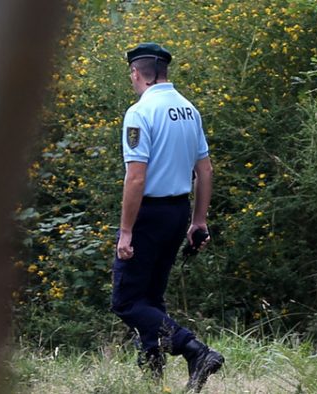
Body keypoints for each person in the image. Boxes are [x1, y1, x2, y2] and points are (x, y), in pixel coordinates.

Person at [111, 42, 224, 392]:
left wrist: (126, 230)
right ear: (164, 71)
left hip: (149, 214)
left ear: (136, 73)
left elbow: (136, 177)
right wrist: (198, 220)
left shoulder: (140, 113)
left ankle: (195, 350)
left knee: (128, 302)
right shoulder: (190, 110)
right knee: (151, 299)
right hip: (177, 213)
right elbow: (204, 171)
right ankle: (153, 378)